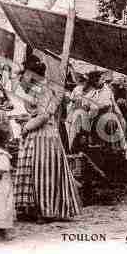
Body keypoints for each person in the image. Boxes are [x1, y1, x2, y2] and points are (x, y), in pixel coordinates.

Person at [13, 55, 81, 222]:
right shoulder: (44, 88)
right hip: (46, 135)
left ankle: (46, 210)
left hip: (43, 136)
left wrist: (26, 127)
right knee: (41, 173)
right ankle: (37, 208)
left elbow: (43, 116)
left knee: (42, 174)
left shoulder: (45, 89)